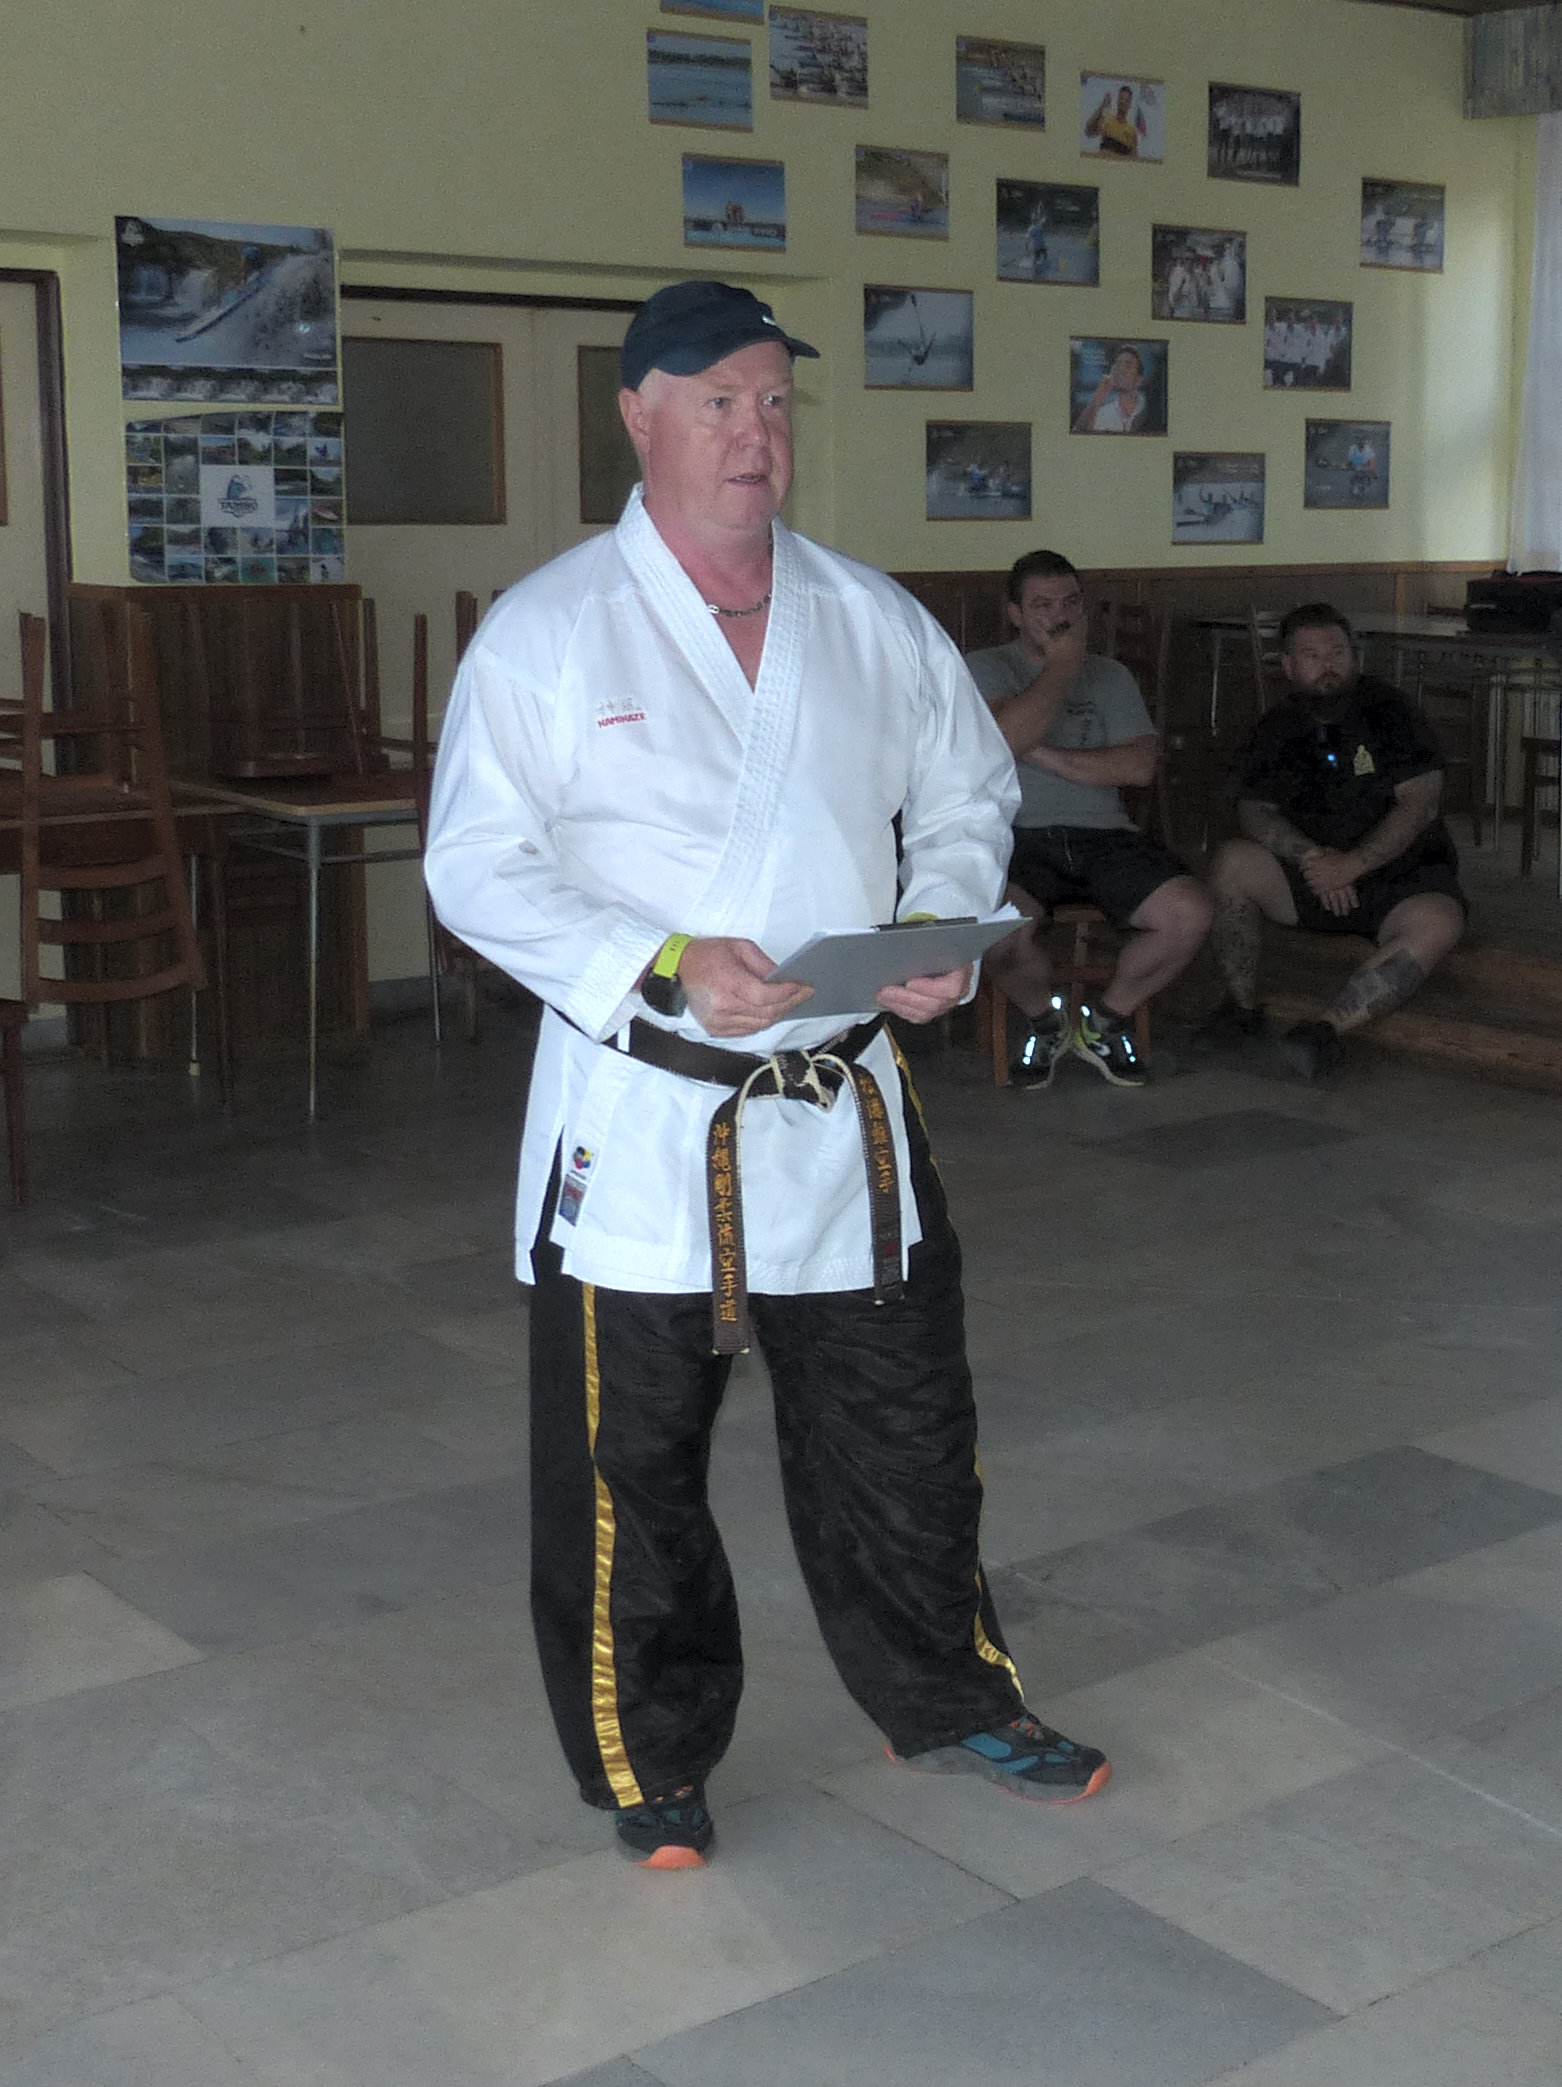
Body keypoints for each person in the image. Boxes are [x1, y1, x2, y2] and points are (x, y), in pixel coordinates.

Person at [424, 281, 1110, 1872]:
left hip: (842, 1104)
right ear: (638, 416)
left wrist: (939, 920)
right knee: (631, 1464)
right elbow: (474, 865)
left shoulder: (865, 614)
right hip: (647, 1109)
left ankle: (945, 1694)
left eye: (774, 402)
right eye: (718, 401)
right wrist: (663, 957)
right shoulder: (550, 629)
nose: (755, 434)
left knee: (906, 1425)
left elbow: (968, 785)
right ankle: (652, 1755)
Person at [965, 551, 1212, 1089]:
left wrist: (1037, 751)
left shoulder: (1111, 675)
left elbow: (1138, 768)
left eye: (1070, 602)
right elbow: (1003, 740)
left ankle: (1103, 1022)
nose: (1059, 616)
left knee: (1190, 914)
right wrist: (1061, 668)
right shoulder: (984, 668)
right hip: (1015, 835)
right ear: (1014, 614)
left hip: (1105, 836)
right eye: (1042, 605)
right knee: (999, 933)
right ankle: (1046, 1021)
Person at [1204, 602, 1466, 1078]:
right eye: (1312, 655)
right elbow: (1253, 810)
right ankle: (1240, 1009)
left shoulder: (1392, 711)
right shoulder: (1277, 725)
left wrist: (1355, 864)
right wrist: (1313, 860)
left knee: (1440, 923)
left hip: (1398, 876)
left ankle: (1324, 1032)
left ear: (1353, 654)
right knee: (1232, 863)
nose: (1328, 665)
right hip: (1313, 876)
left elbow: (1420, 801)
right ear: (1288, 665)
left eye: (1337, 652)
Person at [1075, 344, 1148, 433]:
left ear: (1139, 379)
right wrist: (1098, 396)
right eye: (1118, 365)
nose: (1121, 370)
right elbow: (1079, 432)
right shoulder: (1104, 412)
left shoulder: (1148, 407)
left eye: (1128, 366)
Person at [1087, 81, 1139, 156]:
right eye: (1121, 98)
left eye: (1126, 100)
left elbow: (1134, 159)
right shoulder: (1106, 120)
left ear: (1130, 105)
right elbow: (1088, 131)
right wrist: (1102, 106)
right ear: (1117, 100)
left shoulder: (1132, 132)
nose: (1123, 102)